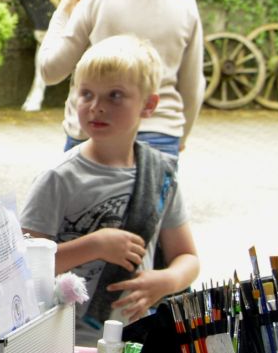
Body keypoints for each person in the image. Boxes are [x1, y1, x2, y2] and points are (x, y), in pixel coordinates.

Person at [21, 35, 201, 332]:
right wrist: (94, 245)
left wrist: (167, 280)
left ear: (148, 105)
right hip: (63, 339)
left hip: (133, 339)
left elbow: (187, 257)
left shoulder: (161, 175)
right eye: (86, 94)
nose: (97, 106)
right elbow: (21, 265)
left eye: (114, 95)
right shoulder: (58, 178)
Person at [34, 0, 204, 158]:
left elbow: (51, 70)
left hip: (93, 136)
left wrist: (64, 11)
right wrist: (180, 136)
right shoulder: (185, 5)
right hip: (160, 137)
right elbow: (192, 85)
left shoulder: (95, 1)